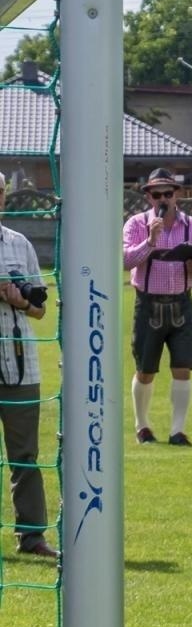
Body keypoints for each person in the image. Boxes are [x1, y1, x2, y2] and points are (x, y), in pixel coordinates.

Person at [121, 168, 192, 446]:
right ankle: (142, 426)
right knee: (145, 370)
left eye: (168, 193)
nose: (163, 199)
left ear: (177, 195)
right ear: (148, 197)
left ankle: (177, 431)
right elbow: (125, 260)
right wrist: (150, 241)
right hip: (148, 305)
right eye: (157, 194)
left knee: (183, 367)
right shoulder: (136, 224)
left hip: (182, 304)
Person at [0, 175, 58, 560]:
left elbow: (40, 308)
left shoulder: (20, 244)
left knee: (25, 455)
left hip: (20, 367)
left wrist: (18, 300)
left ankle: (32, 535)